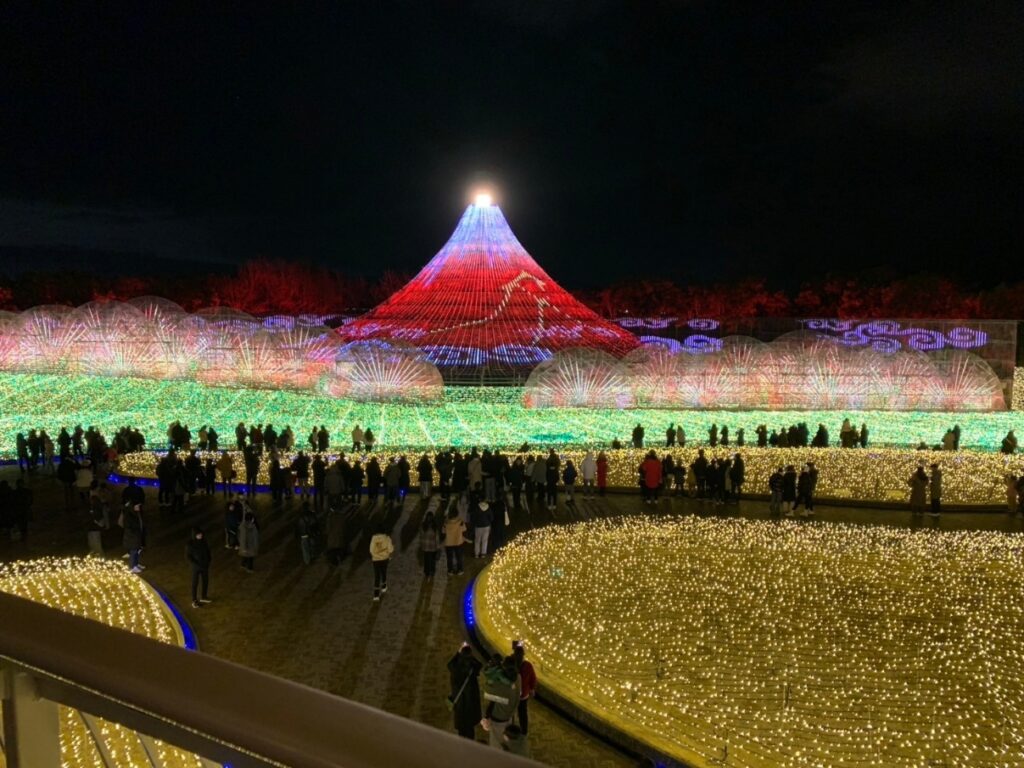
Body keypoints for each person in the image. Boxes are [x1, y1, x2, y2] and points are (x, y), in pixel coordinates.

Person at [482, 655, 521, 749]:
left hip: (499, 718)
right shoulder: (518, 677)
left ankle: (498, 754)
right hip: (509, 712)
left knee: (496, 741)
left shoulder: (504, 688)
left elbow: (486, 692)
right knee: (504, 738)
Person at [447, 643, 483, 740]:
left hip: (459, 703)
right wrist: (471, 656)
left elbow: (449, 664)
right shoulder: (472, 668)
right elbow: (480, 664)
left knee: (461, 729)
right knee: (470, 730)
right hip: (471, 704)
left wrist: (458, 653)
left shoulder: (455, 668)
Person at [512, 640, 537, 736]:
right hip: (523, 694)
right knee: (523, 712)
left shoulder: (510, 662)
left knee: (510, 710)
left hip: (512, 693)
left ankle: (511, 729)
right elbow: (533, 678)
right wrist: (532, 689)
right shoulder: (527, 665)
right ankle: (524, 731)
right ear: (523, 654)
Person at [186, 526, 212, 608]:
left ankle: (204, 596)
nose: (200, 536)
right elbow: (188, 556)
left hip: (205, 566)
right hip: (196, 567)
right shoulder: (190, 544)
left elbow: (208, 551)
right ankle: (194, 600)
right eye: (198, 534)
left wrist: (209, 560)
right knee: (195, 583)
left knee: (205, 581)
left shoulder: (204, 541)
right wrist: (195, 564)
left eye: (201, 534)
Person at [369, 522, 394, 601]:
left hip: (376, 560)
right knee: (384, 572)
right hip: (384, 559)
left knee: (377, 576)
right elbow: (391, 549)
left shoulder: (373, 538)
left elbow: (371, 550)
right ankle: (384, 586)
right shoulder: (387, 538)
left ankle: (376, 595)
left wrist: (376, 555)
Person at [122, 502, 145, 573]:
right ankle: (132, 567)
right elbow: (129, 528)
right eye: (136, 506)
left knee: (137, 551)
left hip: (137, 536)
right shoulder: (129, 516)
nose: (138, 507)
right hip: (132, 538)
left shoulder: (136, 513)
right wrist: (135, 533)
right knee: (133, 552)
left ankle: (136, 564)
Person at [444, 507, 466, 575]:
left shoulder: (446, 522)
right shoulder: (460, 521)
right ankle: (460, 570)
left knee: (449, 558)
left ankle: (450, 570)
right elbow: (464, 529)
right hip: (458, 541)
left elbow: (443, 531)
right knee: (459, 557)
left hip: (448, 542)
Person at [420, 509, 440, 578]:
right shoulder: (434, 527)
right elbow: (437, 538)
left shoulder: (423, 525)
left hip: (425, 546)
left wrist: (422, 544)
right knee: (432, 560)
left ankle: (427, 572)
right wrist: (438, 547)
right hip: (433, 546)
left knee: (426, 560)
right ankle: (432, 571)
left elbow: (421, 536)